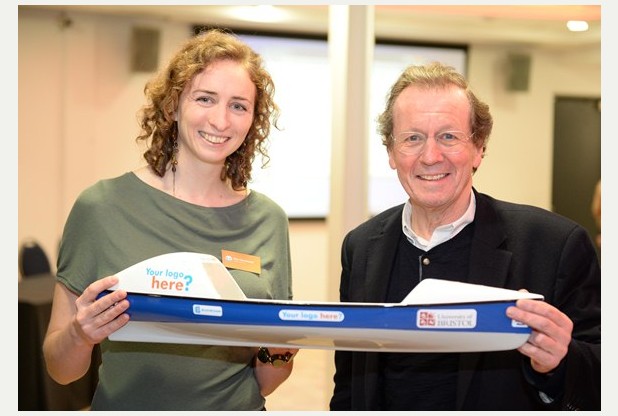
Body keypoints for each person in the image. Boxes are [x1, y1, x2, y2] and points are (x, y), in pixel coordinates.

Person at [43, 29, 298, 410]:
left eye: (238, 106)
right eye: (205, 98)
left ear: (252, 121)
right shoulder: (101, 207)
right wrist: (80, 334)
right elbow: (60, 370)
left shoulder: (268, 220)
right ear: (172, 106)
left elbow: (266, 381)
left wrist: (280, 351)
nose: (220, 120)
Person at [329, 62, 600, 411]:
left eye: (448, 137)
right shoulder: (361, 247)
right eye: (412, 138)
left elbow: (601, 376)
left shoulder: (555, 245)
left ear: (478, 149)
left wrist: (558, 363)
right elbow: (349, 383)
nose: (430, 157)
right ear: (391, 153)